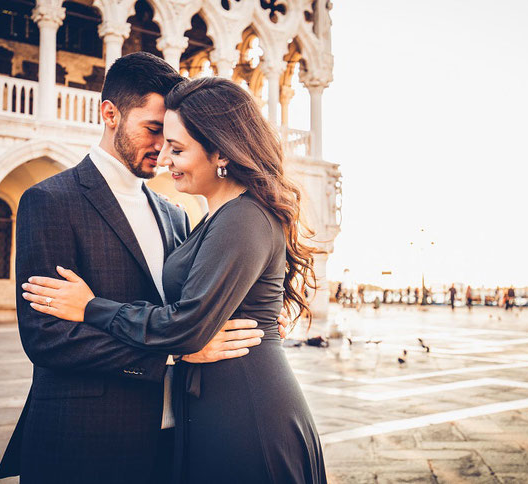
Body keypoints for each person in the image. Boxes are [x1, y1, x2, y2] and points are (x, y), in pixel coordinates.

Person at [21, 77, 326, 483]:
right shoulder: (51, 200)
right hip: (93, 436)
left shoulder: (181, 213)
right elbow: (46, 336)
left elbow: (190, 314)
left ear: (220, 151)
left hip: (195, 426)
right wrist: (177, 351)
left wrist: (93, 308)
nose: (163, 154)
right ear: (110, 114)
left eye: (175, 145)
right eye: (154, 131)